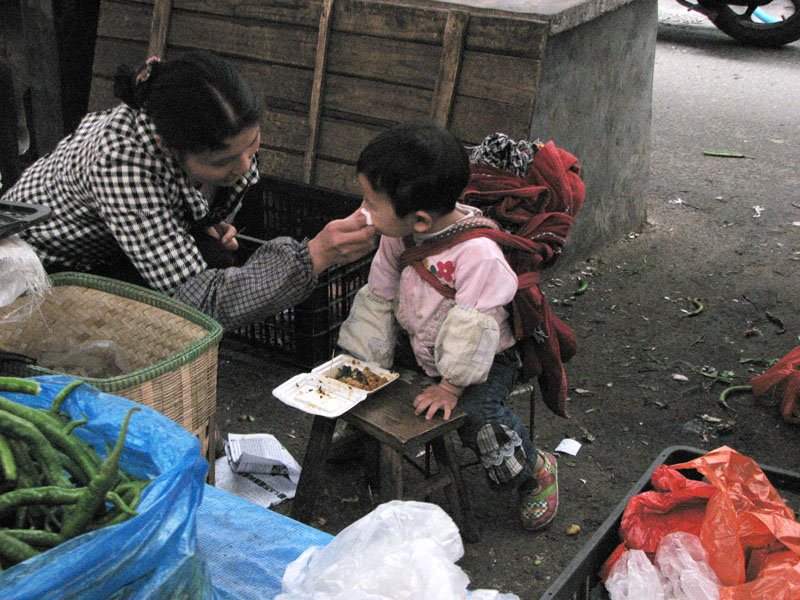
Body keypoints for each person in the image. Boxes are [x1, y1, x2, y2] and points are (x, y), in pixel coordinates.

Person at [0, 50, 376, 329]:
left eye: (253, 145)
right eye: (222, 161)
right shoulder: (120, 162)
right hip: (40, 268)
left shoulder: (198, 128)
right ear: (167, 146)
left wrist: (200, 220)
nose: (245, 166)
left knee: (216, 254)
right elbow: (200, 302)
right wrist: (315, 255)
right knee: (193, 304)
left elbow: (197, 199)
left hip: (114, 238)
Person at [336, 120, 559, 531]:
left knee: (480, 419)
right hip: (424, 343)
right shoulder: (396, 237)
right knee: (362, 377)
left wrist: (450, 386)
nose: (363, 211)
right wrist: (363, 363)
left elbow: (474, 330)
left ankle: (534, 469)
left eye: (371, 202)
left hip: (482, 359)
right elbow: (379, 299)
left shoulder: (478, 254)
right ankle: (366, 442)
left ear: (420, 219)